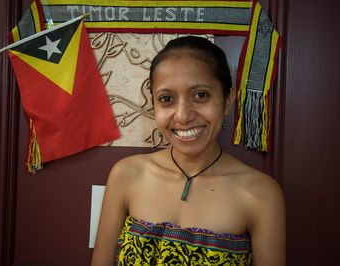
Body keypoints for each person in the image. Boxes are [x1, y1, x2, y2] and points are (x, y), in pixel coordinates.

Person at [91, 36, 285, 266]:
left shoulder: (261, 194)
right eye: (166, 99)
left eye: (200, 95)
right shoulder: (126, 175)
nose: (183, 116)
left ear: (227, 101)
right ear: (154, 104)